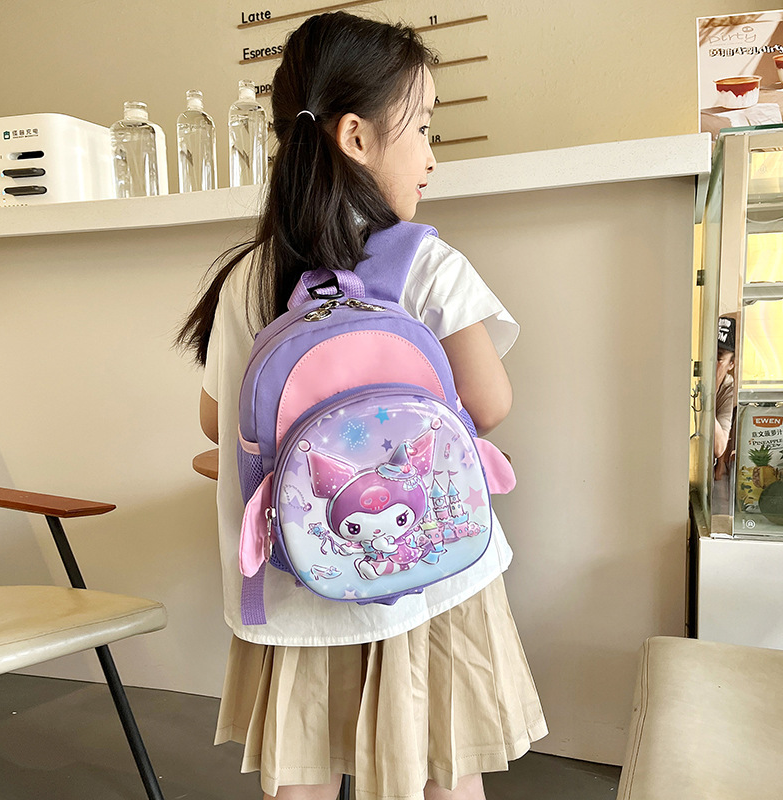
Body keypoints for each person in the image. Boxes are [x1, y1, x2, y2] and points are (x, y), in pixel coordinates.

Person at [178, 12, 546, 800]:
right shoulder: (428, 265)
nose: (432, 158)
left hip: (299, 581)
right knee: (443, 763)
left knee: (305, 773)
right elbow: (489, 404)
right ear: (356, 136)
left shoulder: (249, 276)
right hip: (430, 576)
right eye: (423, 129)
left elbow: (218, 424)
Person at [715, 316, 736, 461]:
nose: (710, 362)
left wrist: (707, 398)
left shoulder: (728, 388)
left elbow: (719, 447)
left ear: (731, 364)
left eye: (718, 358)